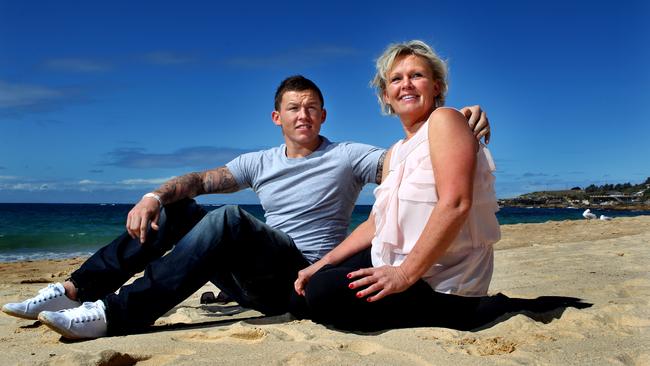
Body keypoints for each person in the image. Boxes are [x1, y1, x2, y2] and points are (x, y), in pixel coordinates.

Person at [2, 75, 490, 339]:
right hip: (249, 281)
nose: (304, 114)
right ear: (277, 117)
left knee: (231, 218)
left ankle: (117, 313)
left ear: (324, 115)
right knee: (180, 207)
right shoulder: (259, 162)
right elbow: (200, 179)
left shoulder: (348, 155)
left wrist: (458, 121)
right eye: (294, 107)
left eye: (313, 107)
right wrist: (152, 195)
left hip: (301, 277)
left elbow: (415, 163)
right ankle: (73, 288)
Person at [293, 41, 501, 331]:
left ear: (436, 86)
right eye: (396, 79)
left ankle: (482, 308)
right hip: (393, 263)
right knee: (313, 279)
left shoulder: (445, 120)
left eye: (417, 76)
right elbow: (377, 221)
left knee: (323, 293)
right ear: (386, 95)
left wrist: (403, 275)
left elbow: (456, 203)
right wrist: (321, 263)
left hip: (441, 285)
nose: (406, 85)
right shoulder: (395, 152)